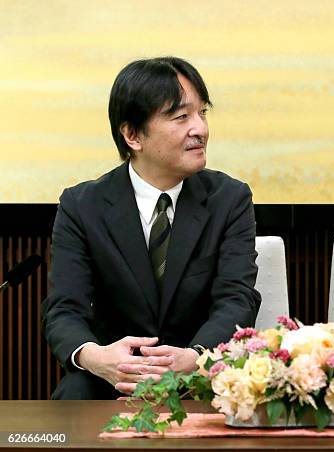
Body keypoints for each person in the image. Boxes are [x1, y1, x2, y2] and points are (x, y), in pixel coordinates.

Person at [42, 57, 261, 399]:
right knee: (72, 398)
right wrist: (97, 357)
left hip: (199, 376)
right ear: (132, 135)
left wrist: (195, 357)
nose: (200, 128)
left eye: (202, 113)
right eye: (181, 117)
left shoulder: (229, 199)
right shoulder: (83, 206)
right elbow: (64, 309)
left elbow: (236, 299)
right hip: (113, 379)